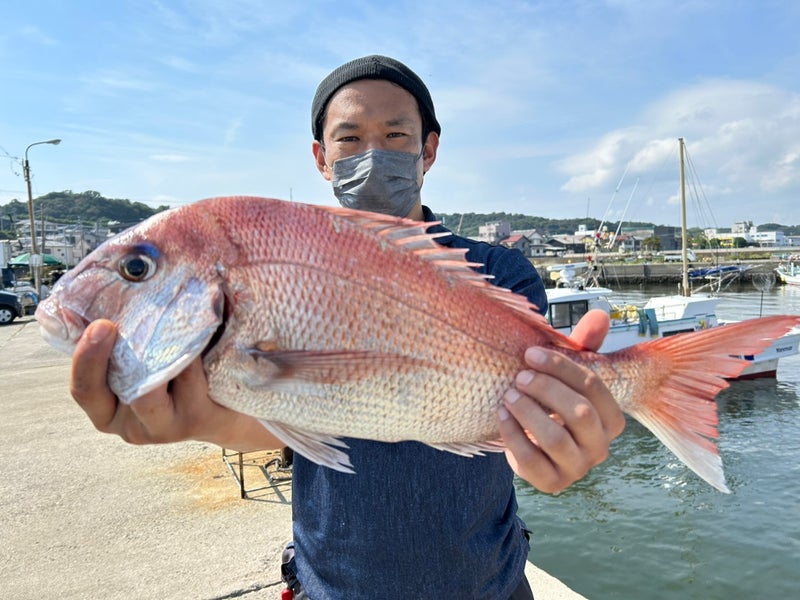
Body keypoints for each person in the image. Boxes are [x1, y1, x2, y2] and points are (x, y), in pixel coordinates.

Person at [70, 55, 625, 599]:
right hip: (332, 587)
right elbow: (298, 422)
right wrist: (196, 421)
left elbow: (519, 410)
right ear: (321, 156)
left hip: (488, 585)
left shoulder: (498, 272)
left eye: (396, 135)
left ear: (429, 148)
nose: (373, 153)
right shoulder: (281, 271)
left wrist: (557, 442)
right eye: (350, 138)